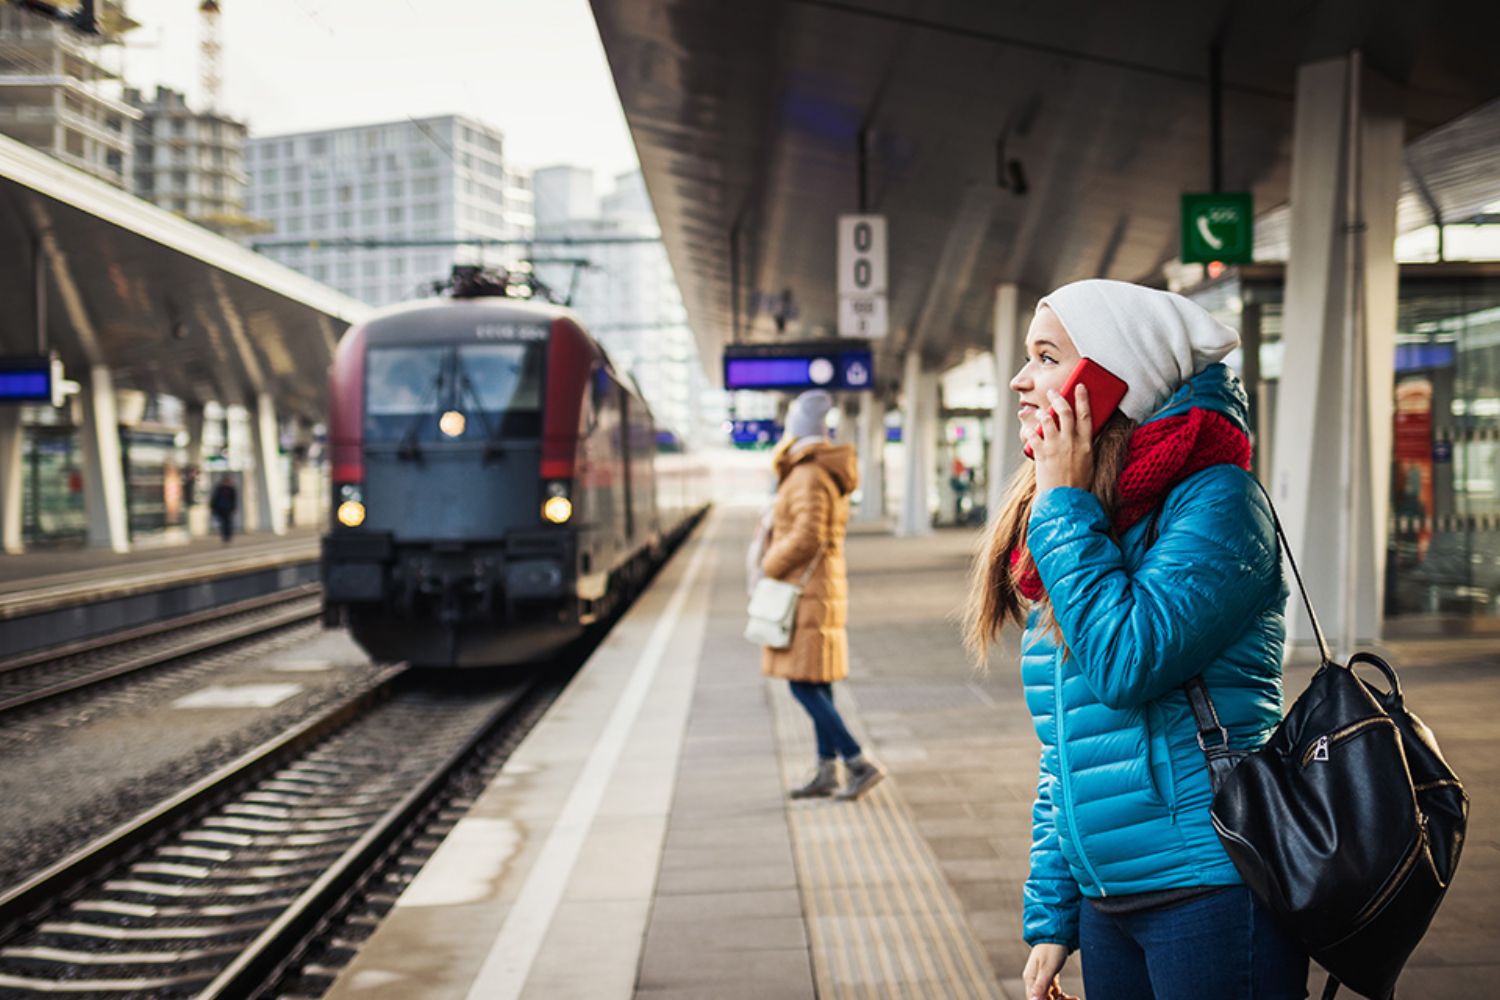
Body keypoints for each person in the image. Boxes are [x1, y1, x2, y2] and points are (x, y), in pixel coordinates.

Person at [964, 280, 1307, 1000]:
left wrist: (1061, 502)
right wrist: (1054, 913)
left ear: (1113, 377)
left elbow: (1127, 662)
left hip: (1208, 885)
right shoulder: (1094, 515)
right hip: (1108, 898)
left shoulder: (1217, 502)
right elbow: (1069, 745)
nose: (1023, 381)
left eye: (1048, 357)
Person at [760, 390, 884, 801]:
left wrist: (770, 563)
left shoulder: (808, 474)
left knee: (801, 684)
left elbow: (808, 534)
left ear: (796, 433)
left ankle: (856, 762)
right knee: (816, 680)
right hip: (815, 589)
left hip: (804, 590)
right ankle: (827, 770)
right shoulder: (810, 471)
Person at [209, 476, 238, 544]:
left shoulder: (231, 489)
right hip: (220, 509)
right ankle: (224, 536)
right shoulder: (219, 489)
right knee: (222, 523)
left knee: (228, 523)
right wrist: (212, 507)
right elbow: (215, 499)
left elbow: (233, 500)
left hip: (228, 509)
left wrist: (234, 508)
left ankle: (228, 536)